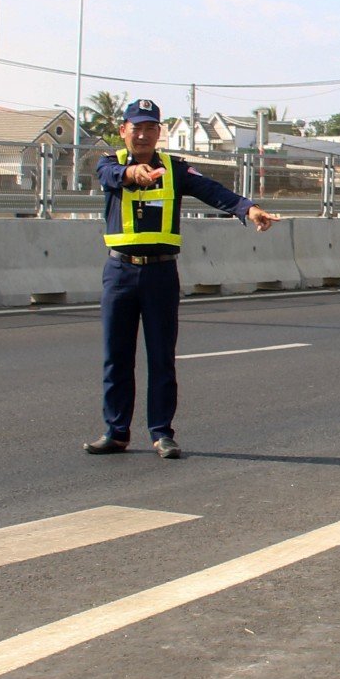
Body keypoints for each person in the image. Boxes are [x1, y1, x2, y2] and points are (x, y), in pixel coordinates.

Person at [87, 98, 279, 458]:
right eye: (136, 127)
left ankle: (161, 433)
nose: (143, 135)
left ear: (159, 132)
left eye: (150, 128)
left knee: (161, 356)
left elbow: (214, 192)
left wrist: (248, 208)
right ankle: (116, 432)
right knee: (116, 356)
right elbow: (110, 177)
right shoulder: (110, 163)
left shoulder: (176, 170)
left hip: (160, 272)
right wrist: (133, 174)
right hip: (120, 271)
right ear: (123, 131)